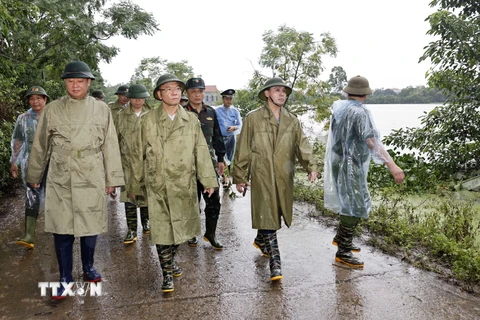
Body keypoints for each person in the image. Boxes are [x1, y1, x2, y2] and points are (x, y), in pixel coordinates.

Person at [25, 60, 124, 300]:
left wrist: (112, 178)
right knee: (62, 226)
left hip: (91, 171)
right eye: (71, 81)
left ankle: (89, 267)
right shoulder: (53, 109)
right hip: (61, 173)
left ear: (89, 83)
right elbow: (40, 145)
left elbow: (110, 144)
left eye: (80, 81)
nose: (75, 85)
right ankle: (65, 277)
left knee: (90, 223)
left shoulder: (101, 109)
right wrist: (34, 175)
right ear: (65, 83)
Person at [128, 73, 217, 292]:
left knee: (182, 228)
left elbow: (201, 150)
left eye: (177, 88)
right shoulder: (147, 120)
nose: (175, 92)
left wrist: (207, 179)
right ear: (159, 94)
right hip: (158, 183)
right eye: (168, 89)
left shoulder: (190, 120)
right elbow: (137, 153)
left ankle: (170, 259)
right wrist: (134, 185)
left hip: (184, 184)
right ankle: (166, 272)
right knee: (162, 229)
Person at [233, 77, 319, 281]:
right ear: (267, 94)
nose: (282, 94)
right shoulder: (253, 118)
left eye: (284, 91)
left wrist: (312, 167)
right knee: (268, 213)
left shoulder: (292, 120)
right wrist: (240, 175)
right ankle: (275, 263)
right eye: (277, 90)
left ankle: (261, 240)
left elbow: (303, 146)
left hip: (283, 175)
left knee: (274, 212)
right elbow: (243, 148)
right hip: (261, 175)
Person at [323, 75, 405, 268]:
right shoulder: (361, 113)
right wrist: (392, 165)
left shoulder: (340, 109)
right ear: (366, 94)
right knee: (356, 204)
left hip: (339, 161)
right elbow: (371, 141)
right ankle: (342, 251)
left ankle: (342, 238)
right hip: (350, 164)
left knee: (350, 200)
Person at [184, 77, 226, 249]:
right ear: (187, 93)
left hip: (208, 164)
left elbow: (217, 136)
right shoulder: (182, 113)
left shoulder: (211, 112)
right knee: (191, 201)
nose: (197, 94)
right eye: (193, 91)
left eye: (200, 91)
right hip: (188, 165)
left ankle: (210, 233)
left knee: (214, 200)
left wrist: (221, 159)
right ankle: (192, 233)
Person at [10, 86, 50, 249]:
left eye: (39, 98)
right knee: (31, 195)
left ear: (45, 99)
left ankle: (60, 230)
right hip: (31, 161)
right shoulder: (23, 118)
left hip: (53, 160)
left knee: (56, 195)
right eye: (32, 99)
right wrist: (14, 161)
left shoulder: (53, 116)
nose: (36, 101)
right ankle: (29, 235)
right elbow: (18, 140)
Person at [114, 84, 152, 244]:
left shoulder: (152, 115)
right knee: (129, 196)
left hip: (147, 163)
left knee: (146, 194)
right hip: (127, 163)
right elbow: (115, 141)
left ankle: (146, 222)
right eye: (135, 98)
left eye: (141, 98)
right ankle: (131, 229)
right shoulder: (121, 116)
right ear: (129, 98)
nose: (138, 101)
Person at [215, 89, 242, 187]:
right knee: (221, 158)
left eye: (230, 99)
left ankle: (225, 177)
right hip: (220, 138)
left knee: (229, 159)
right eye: (227, 99)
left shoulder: (235, 111)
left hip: (231, 138)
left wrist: (234, 127)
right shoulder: (217, 111)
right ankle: (224, 178)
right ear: (223, 99)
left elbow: (240, 125)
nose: (229, 101)